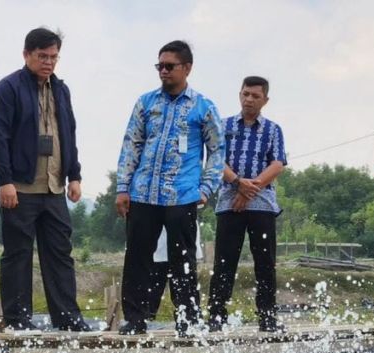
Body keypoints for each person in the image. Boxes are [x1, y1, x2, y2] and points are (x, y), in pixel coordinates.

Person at [114, 40, 224, 336]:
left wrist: (206, 188)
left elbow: (217, 151)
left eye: (169, 66)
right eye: (159, 66)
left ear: (187, 68)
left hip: (182, 195)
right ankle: (135, 318)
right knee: (137, 257)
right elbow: (131, 145)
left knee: (182, 260)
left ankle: (187, 320)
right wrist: (122, 187)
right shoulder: (146, 103)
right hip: (143, 193)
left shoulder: (203, 107)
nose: (163, 71)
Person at [0, 28, 91, 332]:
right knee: (18, 254)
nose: (48, 62)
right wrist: (4, 180)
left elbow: (68, 133)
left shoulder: (61, 90)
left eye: (53, 57)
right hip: (18, 186)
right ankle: (18, 321)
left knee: (60, 253)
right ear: (26, 55)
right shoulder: (7, 89)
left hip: (54, 185)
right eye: (42, 56)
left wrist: (75, 175)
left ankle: (68, 318)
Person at [206, 76, 287, 333]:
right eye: (245, 94)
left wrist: (251, 189)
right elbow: (216, 159)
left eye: (255, 96)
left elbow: (277, 163)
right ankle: (216, 316)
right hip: (229, 204)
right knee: (224, 262)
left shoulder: (273, 130)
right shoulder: (224, 125)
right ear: (239, 94)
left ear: (265, 100)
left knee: (265, 263)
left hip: (262, 205)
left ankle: (267, 316)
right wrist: (238, 183)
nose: (249, 99)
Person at [148, 226, 203, 320]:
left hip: (182, 238)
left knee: (185, 284)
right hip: (157, 240)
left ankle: (189, 317)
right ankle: (145, 317)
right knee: (152, 287)